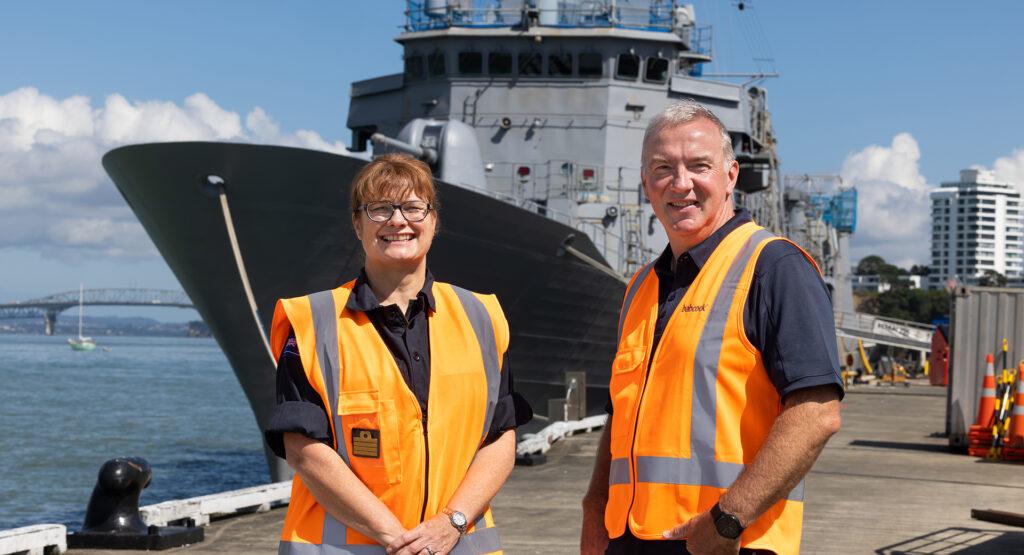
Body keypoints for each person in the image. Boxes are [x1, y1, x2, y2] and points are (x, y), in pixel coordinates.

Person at [580, 100, 843, 555]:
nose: (681, 183)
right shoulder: (641, 286)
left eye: (698, 166)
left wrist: (726, 521)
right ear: (646, 183)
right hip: (629, 538)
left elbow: (817, 413)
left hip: (728, 541)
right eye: (663, 168)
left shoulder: (774, 267)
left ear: (730, 175)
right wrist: (595, 506)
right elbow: (623, 415)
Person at [265, 153, 531, 555]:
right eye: (380, 208)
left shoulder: (481, 317)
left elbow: (499, 435)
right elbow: (303, 448)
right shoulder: (313, 322)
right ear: (358, 224)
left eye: (412, 207)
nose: (397, 221)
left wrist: (452, 523)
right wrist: (396, 538)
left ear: (433, 221)